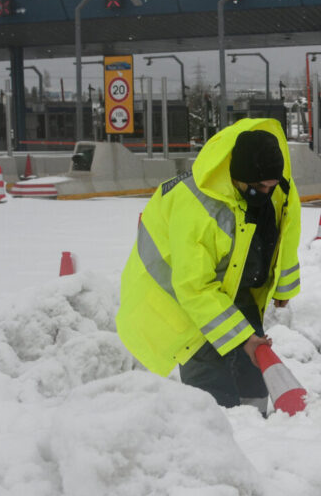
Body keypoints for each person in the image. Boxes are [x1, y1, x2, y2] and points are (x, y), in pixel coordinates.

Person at [116, 118, 301, 414]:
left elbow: (287, 222)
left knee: (254, 368)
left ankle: (256, 432)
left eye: (272, 186)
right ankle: (219, 435)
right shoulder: (198, 209)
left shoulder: (270, 188)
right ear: (238, 179)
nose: (267, 193)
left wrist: (283, 286)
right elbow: (194, 287)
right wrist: (243, 339)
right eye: (259, 188)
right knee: (211, 383)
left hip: (223, 285)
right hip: (174, 301)